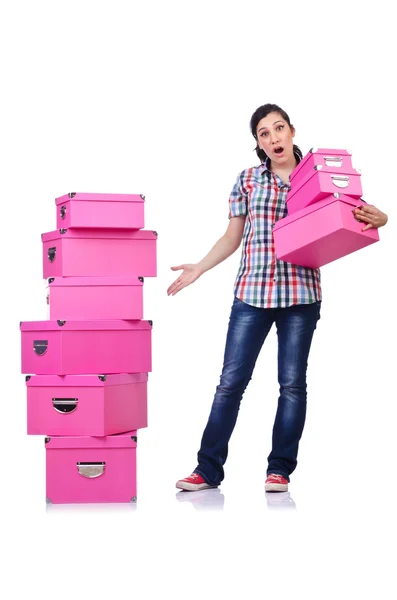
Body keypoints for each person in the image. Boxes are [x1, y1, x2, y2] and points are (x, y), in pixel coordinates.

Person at [167, 103, 388, 493]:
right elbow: (232, 237)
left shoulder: (319, 176)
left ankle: (279, 470)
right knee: (230, 383)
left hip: (301, 295)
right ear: (258, 142)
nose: (273, 138)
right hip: (252, 292)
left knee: (292, 384)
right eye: (264, 134)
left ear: (292, 131)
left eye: (278, 128)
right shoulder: (248, 179)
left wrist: (381, 218)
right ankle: (207, 470)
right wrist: (200, 267)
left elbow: (356, 212)